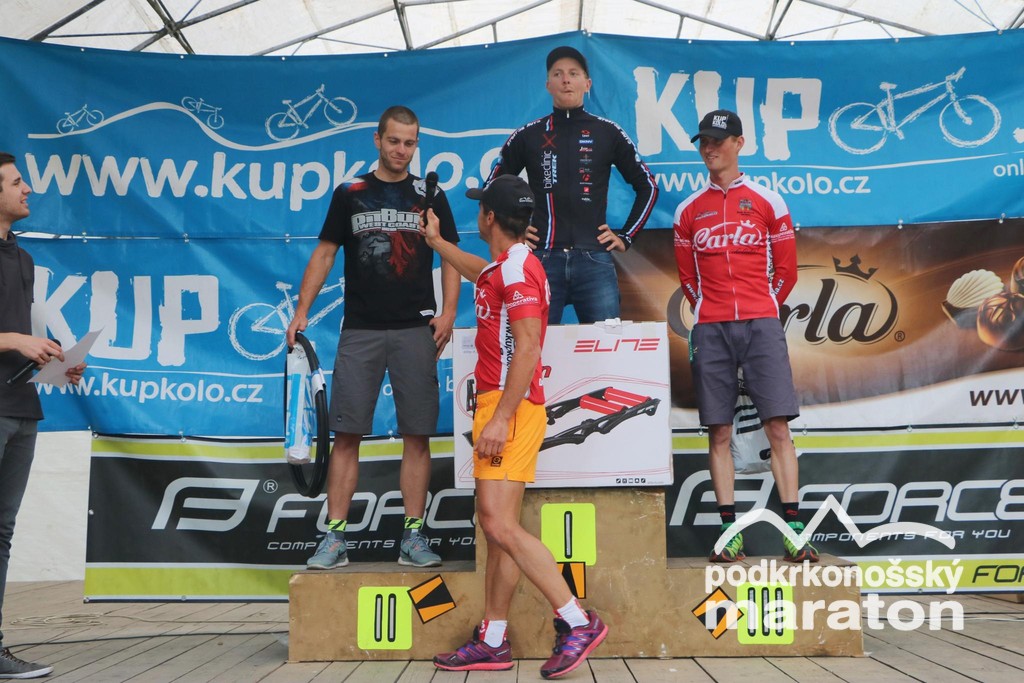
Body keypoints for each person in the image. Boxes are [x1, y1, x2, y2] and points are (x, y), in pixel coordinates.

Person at [423, 175, 608, 679]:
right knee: (499, 529)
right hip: (504, 404)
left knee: (499, 525)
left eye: (480, 208)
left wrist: (502, 417)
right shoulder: (506, 266)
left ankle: (577, 620)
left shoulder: (519, 270)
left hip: (511, 407)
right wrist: (437, 243)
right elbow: (482, 273)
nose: (478, 215)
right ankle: (493, 639)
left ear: (489, 218)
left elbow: (528, 347)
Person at [285, 106, 460, 570]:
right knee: (346, 435)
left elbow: (449, 256)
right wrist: (301, 311)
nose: (402, 150)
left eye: (410, 143)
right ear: (377, 139)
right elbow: (325, 253)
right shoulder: (350, 192)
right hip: (360, 328)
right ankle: (335, 538)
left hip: (415, 329)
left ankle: (413, 536)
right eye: (394, 141)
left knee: (417, 435)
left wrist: (449, 313)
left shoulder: (429, 194)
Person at [672, 111, 818, 564]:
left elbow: (787, 270)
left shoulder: (768, 201)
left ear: (739, 143)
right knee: (719, 430)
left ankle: (794, 531)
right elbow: (688, 279)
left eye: (718, 141)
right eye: (703, 142)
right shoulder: (688, 210)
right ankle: (728, 532)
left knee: (778, 426)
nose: (709, 149)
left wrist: (764, 305)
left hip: (761, 324)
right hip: (711, 328)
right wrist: (709, 310)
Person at [487, 45, 658, 325]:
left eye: (573, 73)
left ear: (587, 84)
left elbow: (648, 186)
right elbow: (492, 188)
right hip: (541, 258)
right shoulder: (528, 135)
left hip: (595, 259)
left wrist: (626, 236)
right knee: (536, 344)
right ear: (548, 85)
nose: (566, 80)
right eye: (558, 74)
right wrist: (515, 233)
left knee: (606, 344)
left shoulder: (608, 132)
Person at [0, 151, 86, 679]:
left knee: (2, 532)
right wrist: (15, 339)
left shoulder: (24, 259)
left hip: (21, 408)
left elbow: (17, 337)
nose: (27, 188)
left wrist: (55, 363)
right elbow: (11, 336)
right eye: (15, 182)